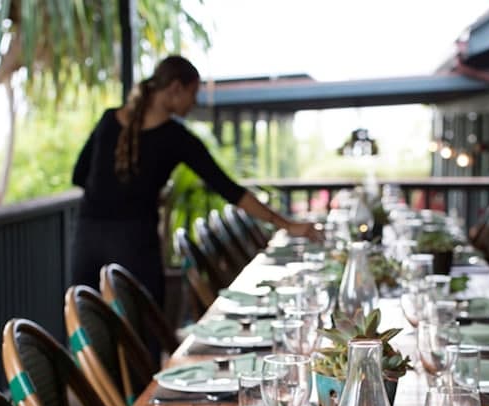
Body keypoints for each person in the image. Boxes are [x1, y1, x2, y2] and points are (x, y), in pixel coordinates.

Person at [70, 55, 313, 305]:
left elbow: (79, 175)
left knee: (87, 316)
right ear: (176, 88)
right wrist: (286, 224)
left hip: (87, 236)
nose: (194, 101)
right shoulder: (176, 138)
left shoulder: (109, 119)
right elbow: (228, 189)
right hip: (134, 241)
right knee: (145, 322)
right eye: (193, 93)